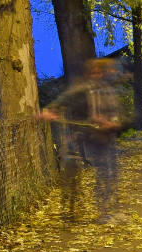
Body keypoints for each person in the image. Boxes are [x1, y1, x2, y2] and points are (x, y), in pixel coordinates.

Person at [41, 60, 124, 223]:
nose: (98, 76)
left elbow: (116, 113)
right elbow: (64, 99)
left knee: (110, 174)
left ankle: (110, 210)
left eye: (100, 73)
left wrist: (113, 123)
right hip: (90, 137)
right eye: (94, 73)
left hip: (107, 137)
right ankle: (101, 212)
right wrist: (51, 110)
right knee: (101, 172)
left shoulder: (107, 90)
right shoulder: (83, 90)